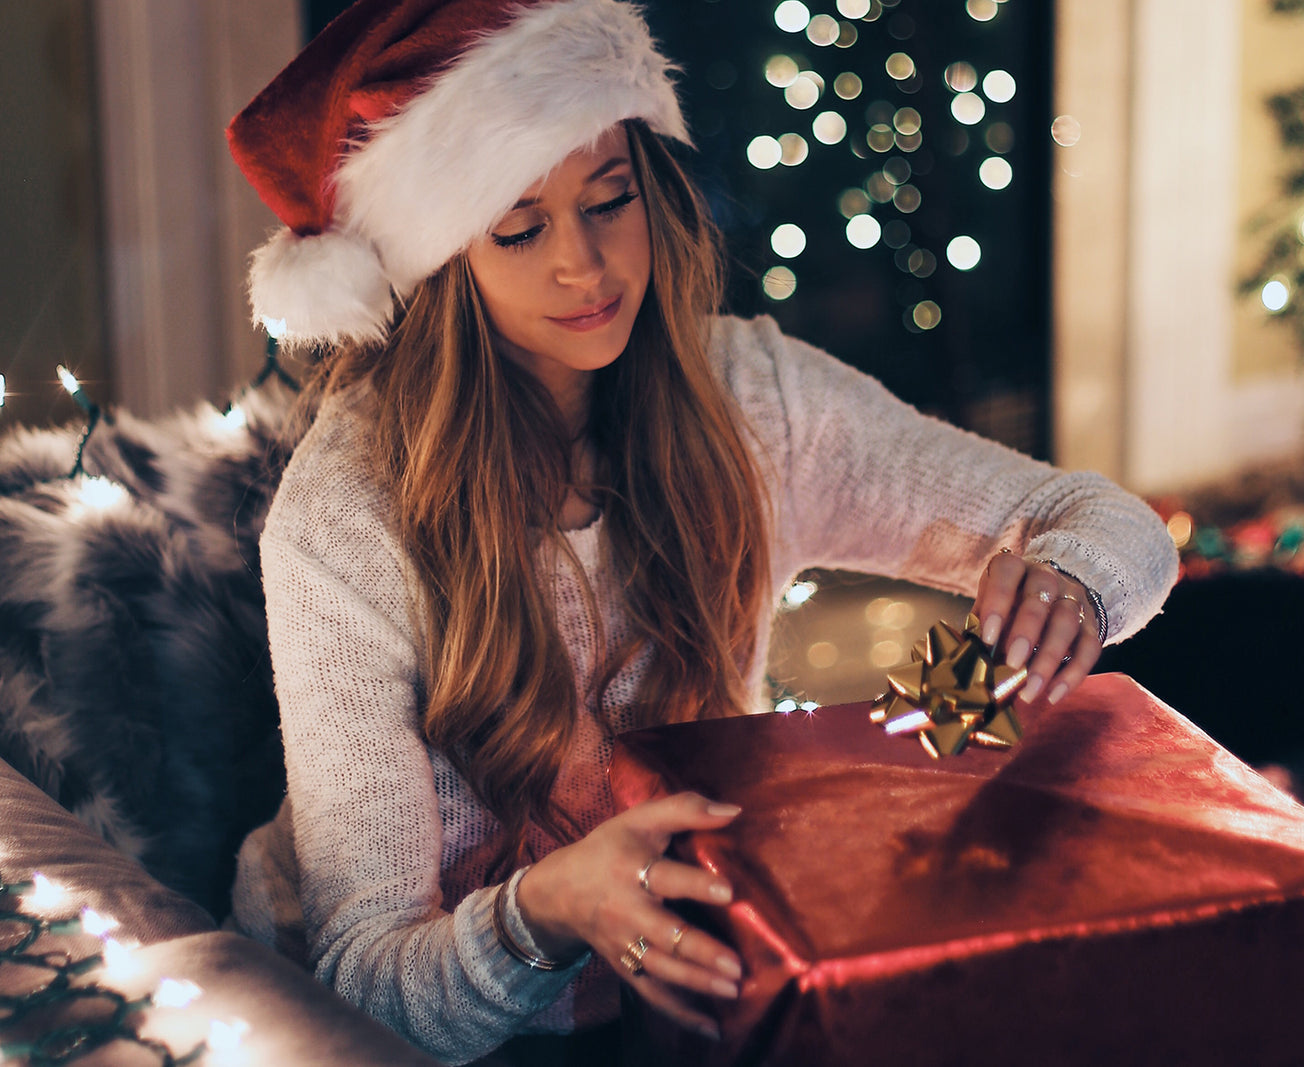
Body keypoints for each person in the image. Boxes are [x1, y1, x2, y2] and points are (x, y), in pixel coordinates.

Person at [224, 0, 1180, 1063]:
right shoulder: (347, 518)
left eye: (610, 200)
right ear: (439, 260)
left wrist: (1075, 584)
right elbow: (365, 981)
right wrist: (540, 911)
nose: (585, 267)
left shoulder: (746, 396)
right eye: (521, 227)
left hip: (698, 982)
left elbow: (1107, 523)